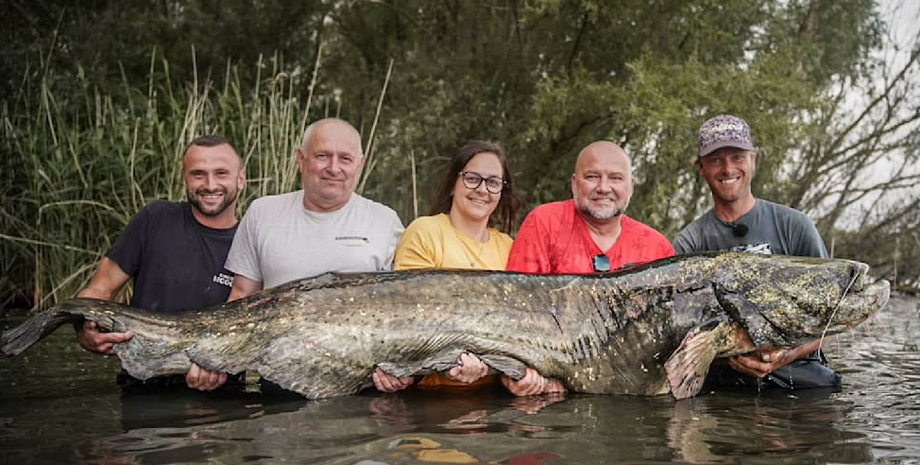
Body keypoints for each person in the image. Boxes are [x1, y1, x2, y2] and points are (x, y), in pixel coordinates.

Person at [673, 114, 839, 390]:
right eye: (715, 160)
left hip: (795, 367)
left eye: (737, 157)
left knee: (825, 385)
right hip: (725, 369)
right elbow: (681, 329)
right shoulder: (688, 243)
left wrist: (783, 356)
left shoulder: (795, 226)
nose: (728, 169)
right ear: (701, 168)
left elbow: (831, 317)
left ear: (753, 161)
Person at [502, 140, 675, 396]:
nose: (603, 187)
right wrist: (519, 373)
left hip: (630, 393)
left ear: (630, 186)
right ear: (574, 183)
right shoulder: (544, 222)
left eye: (615, 178)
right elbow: (514, 309)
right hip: (550, 390)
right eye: (592, 176)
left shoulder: (657, 247)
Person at [75, 135, 246, 391]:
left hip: (224, 393)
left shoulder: (252, 242)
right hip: (143, 388)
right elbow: (100, 289)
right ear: (185, 178)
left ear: (241, 179)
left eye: (221, 173)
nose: (210, 185)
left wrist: (221, 360)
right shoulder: (154, 219)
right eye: (198, 174)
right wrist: (84, 328)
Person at [373, 140, 523, 393]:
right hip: (431, 396)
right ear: (454, 183)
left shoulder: (509, 247)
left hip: (499, 396)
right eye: (472, 178)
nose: (482, 189)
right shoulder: (424, 232)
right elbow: (411, 318)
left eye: (493, 182)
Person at [225, 117, 404, 299]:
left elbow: (401, 300)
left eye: (345, 159)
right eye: (322, 156)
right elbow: (241, 295)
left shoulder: (385, 222)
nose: (333, 168)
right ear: (301, 159)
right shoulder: (262, 213)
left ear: (360, 165)